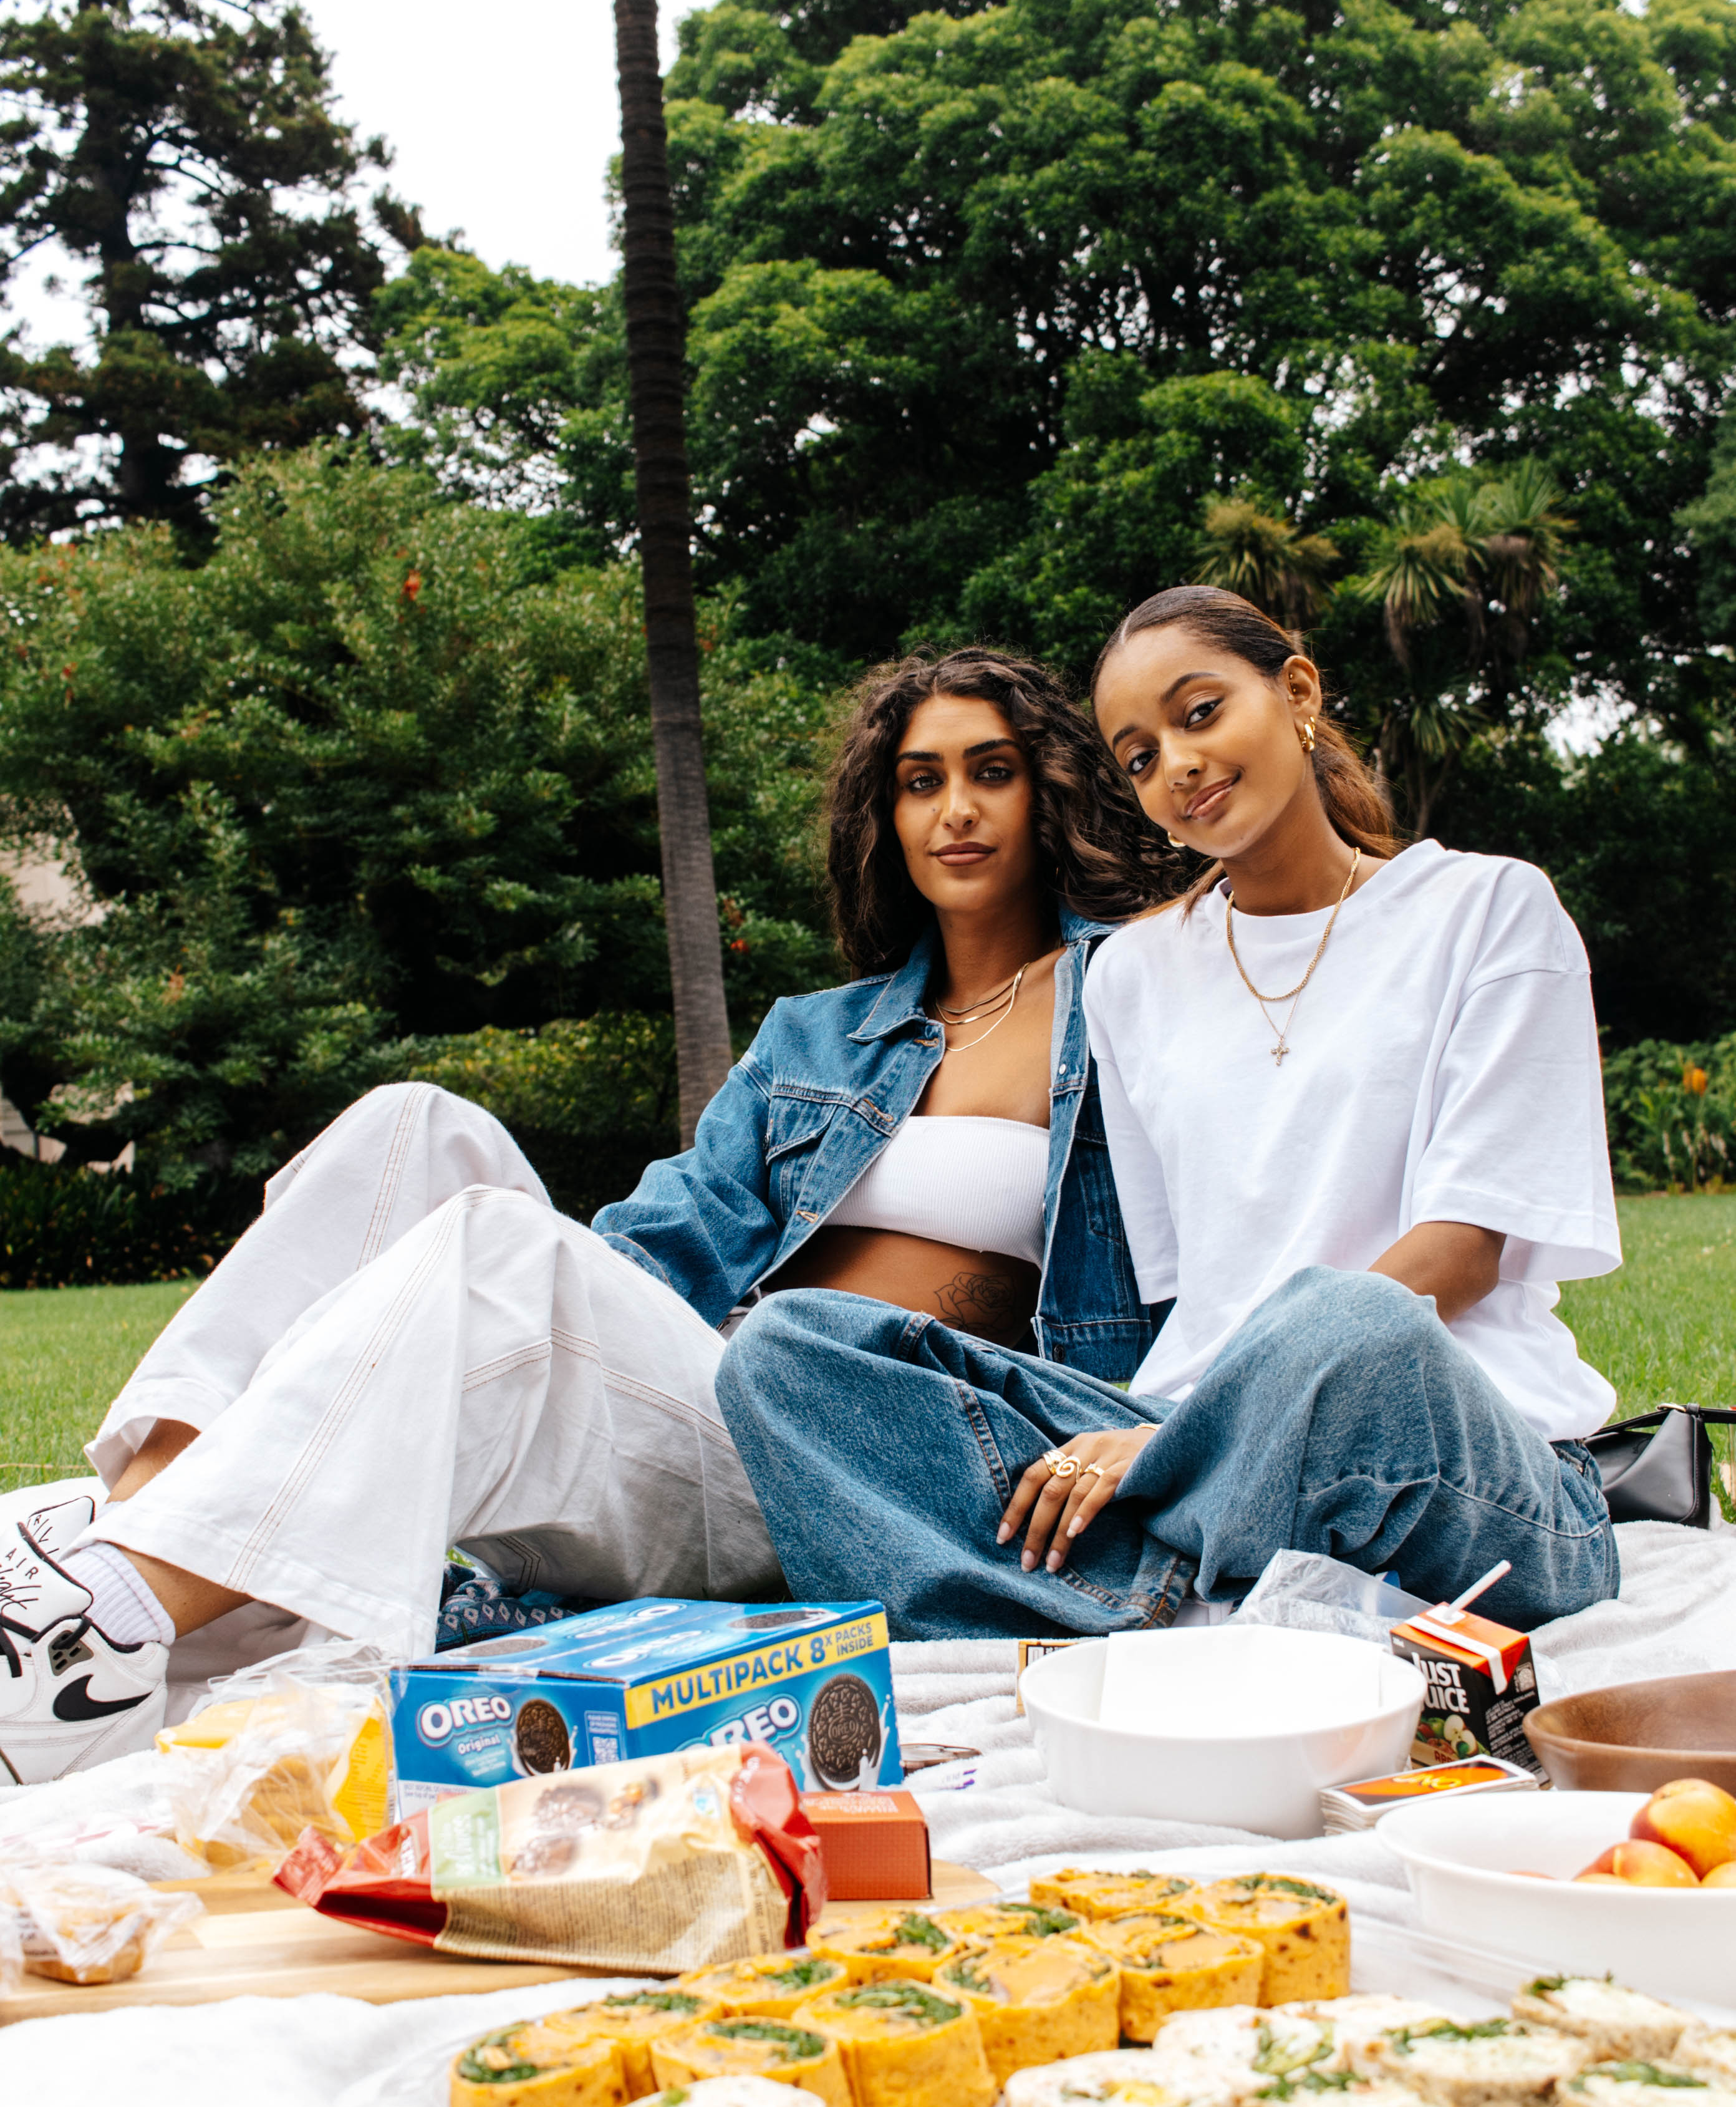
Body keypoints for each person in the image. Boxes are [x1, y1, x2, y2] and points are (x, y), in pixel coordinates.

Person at [0, 649, 1172, 1782]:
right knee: (413, 1127)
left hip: (865, 1464)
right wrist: (532, 1309)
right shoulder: (820, 1033)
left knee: (499, 1255)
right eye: (922, 781)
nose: (954, 810)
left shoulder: (1126, 996)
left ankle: (106, 1619)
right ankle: (117, 1553)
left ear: (1051, 790)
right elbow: (666, 1240)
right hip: (714, 1403)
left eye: (991, 771)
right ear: (886, 814)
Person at [715, 586, 1622, 1640]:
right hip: (1187, 1433)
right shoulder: (1134, 975)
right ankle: (1188, 1592)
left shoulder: (1489, 910)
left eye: (1200, 714)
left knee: (1347, 1317)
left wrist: (1178, 1437)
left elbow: (1461, 1258)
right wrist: (1134, 1432)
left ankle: (1104, 1596)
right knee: (787, 1348)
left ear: (1297, 691)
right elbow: (1190, 1299)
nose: (1178, 766)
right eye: (1140, 757)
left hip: (1463, 1450)